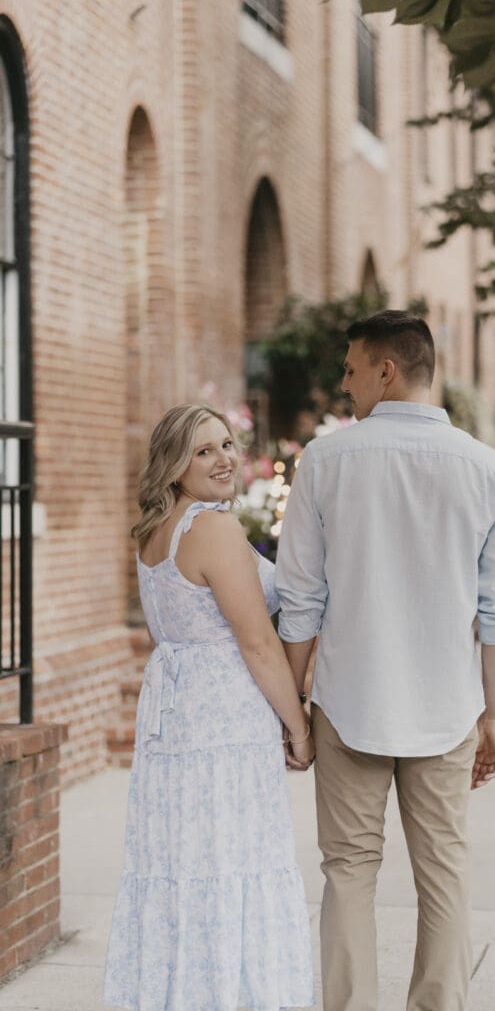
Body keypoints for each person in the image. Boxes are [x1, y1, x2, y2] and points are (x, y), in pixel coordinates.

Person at [276, 310, 495, 1011]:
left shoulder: (325, 462)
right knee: (444, 871)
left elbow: (300, 600)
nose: (344, 383)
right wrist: (493, 715)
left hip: (348, 702)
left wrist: (293, 704)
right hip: (446, 706)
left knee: (348, 871)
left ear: (386, 371)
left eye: (351, 369)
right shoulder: (488, 469)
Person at [104, 403, 315, 1011]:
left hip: (174, 713)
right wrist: (298, 727)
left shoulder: (156, 530)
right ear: (175, 466)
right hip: (223, 713)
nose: (223, 459)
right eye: (204, 451)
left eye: (226, 444)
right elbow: (257, 642)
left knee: (182, 857)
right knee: (233, 855)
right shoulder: (212, 529)